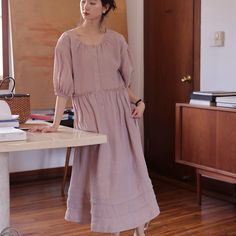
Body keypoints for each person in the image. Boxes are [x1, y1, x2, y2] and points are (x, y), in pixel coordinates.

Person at [30, 0, 160, 235]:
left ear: (105, 7)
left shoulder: (117, 41)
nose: (85, 6)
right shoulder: (67, 41)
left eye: (92, 2)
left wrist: (140, 102)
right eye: (82, 1)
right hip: (91, 118)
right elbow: (63, 90)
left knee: (129, 171)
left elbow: (121, 86)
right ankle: (114, 227)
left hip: (120, 115)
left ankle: (139, 225)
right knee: (102, 175)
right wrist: (56, 124)